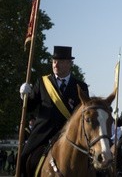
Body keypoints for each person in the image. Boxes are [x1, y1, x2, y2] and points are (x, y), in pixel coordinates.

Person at [19, 46, 89, 176]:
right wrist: (24, 96)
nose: (56, 64)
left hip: (70, 135)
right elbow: (29, 108)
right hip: (44, 132)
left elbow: (85, 114)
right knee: (24, 157)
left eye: (60, 61)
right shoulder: (42, 82)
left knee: (95, 163)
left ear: (69, 64)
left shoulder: (81, 86)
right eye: (54, 61)